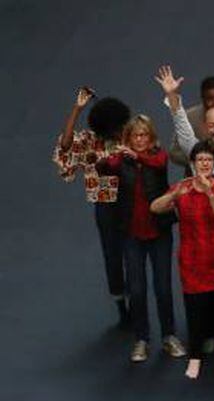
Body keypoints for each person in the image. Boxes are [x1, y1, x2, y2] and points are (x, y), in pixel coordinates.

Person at [149, 140, 214, 380]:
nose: (204, 164)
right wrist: (174, 195)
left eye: (209, 160)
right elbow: (155, 207)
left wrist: (209, 192)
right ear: (192, 163)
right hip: (194, 258)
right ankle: (195, 357)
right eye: (200, 160)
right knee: (196, 311)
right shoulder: (181, 186)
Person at [96, 114, 183, 362]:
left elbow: (158, 164)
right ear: (128, 138)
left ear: (151, 136)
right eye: (136, 135)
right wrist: (112, 154)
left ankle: (169, 336)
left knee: (163, 288)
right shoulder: (121, 161)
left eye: (144, 134)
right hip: (131, 234)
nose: (141, 139)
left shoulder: (158, 156)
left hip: (159, 232)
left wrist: (138, 157)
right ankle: (141, 339)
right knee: (137, 289)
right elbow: (103, 168)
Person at [54, 88, 132, 327]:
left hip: (130, 202)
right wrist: (77, 108)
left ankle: (136, 300)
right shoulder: (89, 142)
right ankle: (122, 306)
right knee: (112, 257)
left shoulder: (128, 139)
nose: (119, 131)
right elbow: (65, 146)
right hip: (106, 205)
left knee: (134, 255)